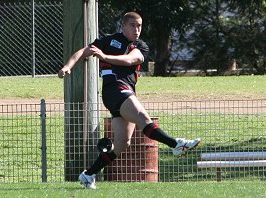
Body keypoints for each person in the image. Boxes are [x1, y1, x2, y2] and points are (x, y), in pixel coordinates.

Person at [58, 11, 201, 189]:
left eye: (139, 25)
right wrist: (67, 66)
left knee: (122, 143)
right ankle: (176, 144)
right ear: (123, 26)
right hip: (115, 90)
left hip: (124, 92)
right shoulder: (109, 40)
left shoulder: (141, 46)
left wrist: (105, 57)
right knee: (142, 116)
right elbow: (84, 51)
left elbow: (131, 59)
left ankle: (88, 174)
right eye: (133, 25)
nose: (137, 29)